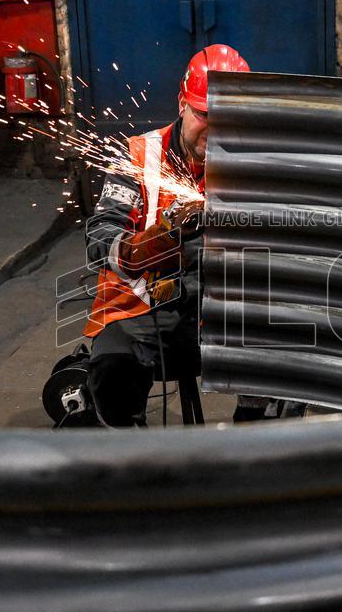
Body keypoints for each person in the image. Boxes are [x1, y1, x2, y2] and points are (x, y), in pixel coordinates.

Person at [83, 44, 249, 426]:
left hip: (227, 314)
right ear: (182, 104)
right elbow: (99, 239)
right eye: (204, 115)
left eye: (229, 118)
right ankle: (136, 465)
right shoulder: (140, 158)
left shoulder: (255, 162)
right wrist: (143, 247)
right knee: (112, 368)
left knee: (287, 358)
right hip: (149, 313)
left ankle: (253, 459)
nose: (216, 129)